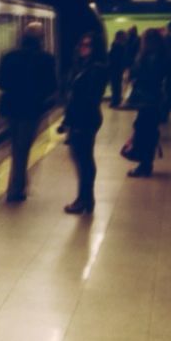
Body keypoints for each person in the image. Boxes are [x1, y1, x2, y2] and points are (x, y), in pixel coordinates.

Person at [0, 22, 57, 201]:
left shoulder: (9, 56)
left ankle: (17, 186)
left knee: (16, 148)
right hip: (31, 110)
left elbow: (0, 82)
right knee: (22, 149)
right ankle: (15, 190)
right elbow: (52, 86)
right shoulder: (46, 59)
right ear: (41, 39)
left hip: (10, 108)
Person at [60, 33, 106, 213]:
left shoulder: (96, 69)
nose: (83, 49)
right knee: (82, 160)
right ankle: (86, 199)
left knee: (84, 160)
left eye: (88, 45)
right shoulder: (81, 66)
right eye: (82, 45)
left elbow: (85, 98)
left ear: (95, 49)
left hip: (85, 118)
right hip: (80, 118)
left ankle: (84, 199)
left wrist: (72, 121)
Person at [125, 28, 169, 177]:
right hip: (155, 99)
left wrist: (133, 74)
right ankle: (145, 164)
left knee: (144, 131)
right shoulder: (162, 54)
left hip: (147, 100)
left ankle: (144, 166)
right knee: (148, 131)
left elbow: (145, 76)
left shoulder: (150, 57)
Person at [107, 29, 130, 107]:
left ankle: (115, 100)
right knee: (117, 85)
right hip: (118, 69)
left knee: (115, 85)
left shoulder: (115, 45)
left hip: (114, 69)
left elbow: (111, 57)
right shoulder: (122, 46)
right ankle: (116, 100)